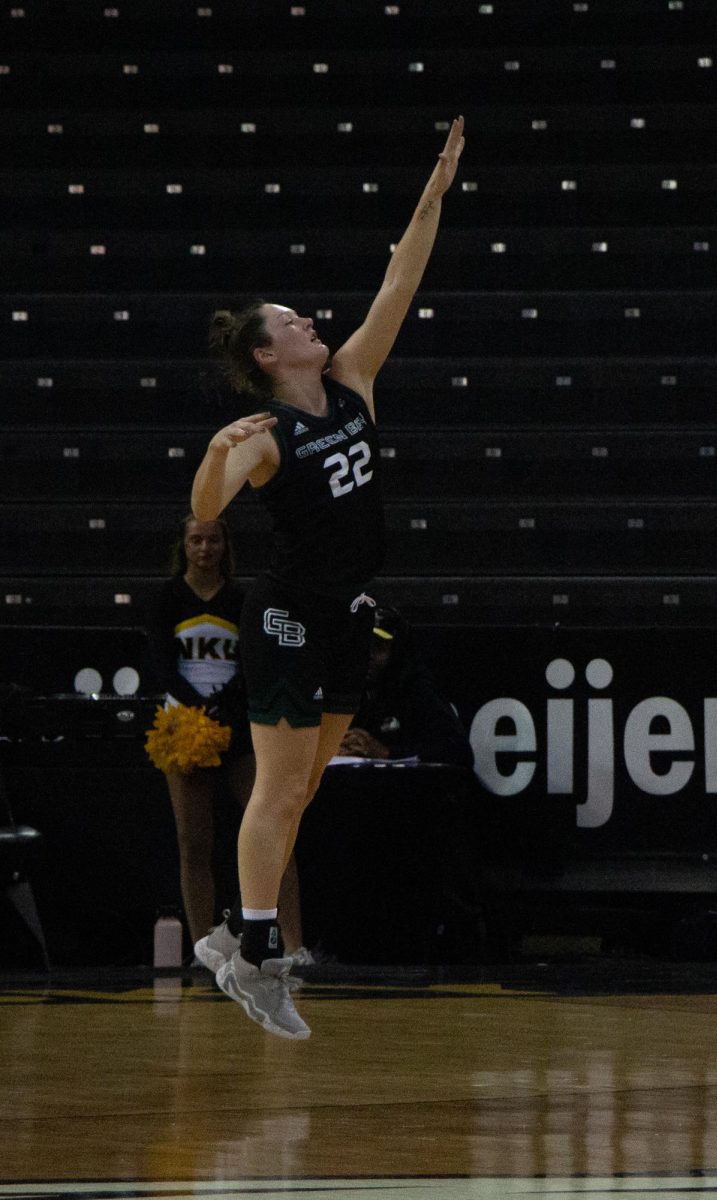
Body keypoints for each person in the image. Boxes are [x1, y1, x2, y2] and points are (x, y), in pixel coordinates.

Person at [190, 117, 465, 1039]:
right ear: (266, 356)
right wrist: (215, 452)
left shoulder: (352, 379)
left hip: (352, 608)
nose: (308, 319)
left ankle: (233, 933)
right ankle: (261, 954)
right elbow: (206, 509)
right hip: (287, 615)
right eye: (288, 322)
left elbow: (401, 280)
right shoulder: (264, 435)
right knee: (276, 786)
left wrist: (436, 186)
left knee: (306, 788)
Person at [145, 515, 307, 964]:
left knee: (272, 831)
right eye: (195, 540)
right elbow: (162, 665)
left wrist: (224, 704)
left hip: (238, 725)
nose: (204, 548)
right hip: (184, 729)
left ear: (225, 546)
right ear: (183, 545)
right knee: (194, 842)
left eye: (212, 540)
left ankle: (294, 944)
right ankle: (203, 951)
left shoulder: (241, 598)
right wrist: (197, 705)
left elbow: (256, 660)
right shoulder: (167, 598)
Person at [338, 608, 473, 769]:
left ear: (396, 651)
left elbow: (460, 752)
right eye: (363, 646)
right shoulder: (347, 687)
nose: (368, 656)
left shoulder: (417, 690)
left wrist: (388, 753)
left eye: (379, 647)